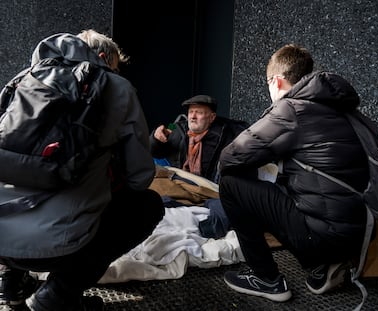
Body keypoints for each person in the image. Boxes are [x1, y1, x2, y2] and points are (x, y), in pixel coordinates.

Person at [0, 30, 165, 311]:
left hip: (2, 239)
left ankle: (10, 284)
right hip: (60, 246)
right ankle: (57, 296)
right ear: (102, 58)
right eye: (113, 67)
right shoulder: (117, 87)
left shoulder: (21, 80)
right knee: (147, 205)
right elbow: (140, 177)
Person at [218, 44, 370, 302]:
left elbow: (230, 157)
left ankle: (265, 278)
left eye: (267, 84)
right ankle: (324, 264)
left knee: (231, 183)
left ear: (276, 81)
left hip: (323, 237)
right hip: (358, 233)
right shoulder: (337, 108)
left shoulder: (291, 110)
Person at [150, 94, 249, 183]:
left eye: (199, 113)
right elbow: (168, 129)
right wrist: (155, 137)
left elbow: (244, 130)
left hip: (208, 186)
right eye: (191, 112)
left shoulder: (224, 132)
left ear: (212, 117)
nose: (193, 116)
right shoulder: (177, 126)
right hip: (177, 180)